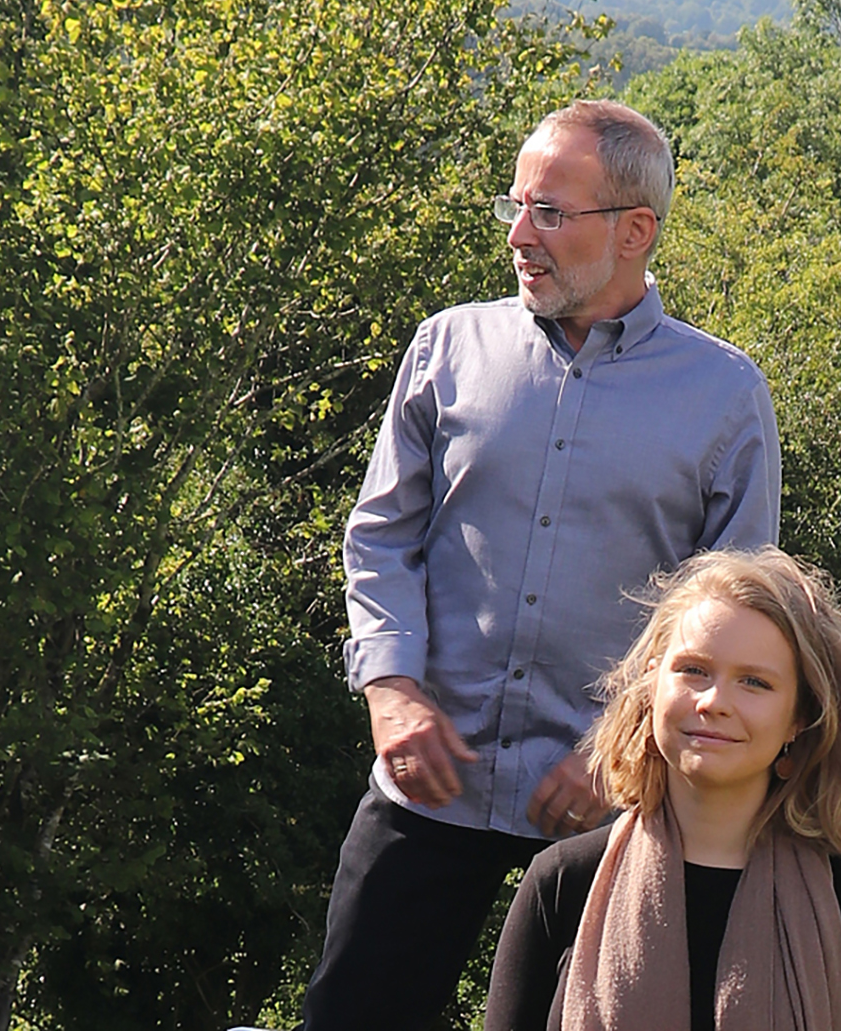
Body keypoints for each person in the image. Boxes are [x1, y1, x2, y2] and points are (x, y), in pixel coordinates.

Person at [301, 100, 782, 1030]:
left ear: (635, 230)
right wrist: (391, 690)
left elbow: (733, 621)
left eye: (551, 213)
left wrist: (621, 751)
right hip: (426, 783)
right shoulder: (448, 346)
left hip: (606, 812)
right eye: (515, 207)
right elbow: (380, 535)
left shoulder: (724, 396)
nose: (521, 235)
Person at [482, 547, 841, 1031]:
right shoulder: (562, 886)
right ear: (652, 683)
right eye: (694, 670)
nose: (714, 702)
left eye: (754, 682)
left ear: (799, 720)